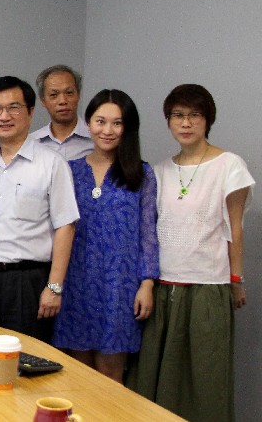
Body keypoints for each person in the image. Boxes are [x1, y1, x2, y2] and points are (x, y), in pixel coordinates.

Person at [127, 84, 254, 422]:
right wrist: (147, 282)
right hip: (163, 287)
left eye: (194, 115)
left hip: (207, 288)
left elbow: (234, 228)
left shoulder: (230, 166)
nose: (185, 123)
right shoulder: (158, 171)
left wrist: (236, 280)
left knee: (205, 379)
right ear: (169, 121)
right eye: (178, 115)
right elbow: (149, 234)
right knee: (155, 378)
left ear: (207, 120)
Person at [52, 89, 159, 382]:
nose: (107, 131)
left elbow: (148, 233)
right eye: (100, 121)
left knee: (111, 377)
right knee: (75, 375)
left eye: (117, 123)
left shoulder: (142, 174)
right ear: (88, 123)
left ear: (128, 127)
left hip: (120, 288)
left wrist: (146, 283)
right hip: (75, 282)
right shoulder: (68, 171)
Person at [0, 76, 78, 342]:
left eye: (13, 107)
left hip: (25, 283)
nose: (4, 116)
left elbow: (66, 226)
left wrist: (54, 287)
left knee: (23, 363)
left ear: (30, 112)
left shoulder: (52, 164)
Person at [30, 65, 93, 160]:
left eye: (69, 93)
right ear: (43, 101)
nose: (63, 101)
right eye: (54, 95)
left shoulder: (97, 139)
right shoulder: (32, 143)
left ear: (78, 95)